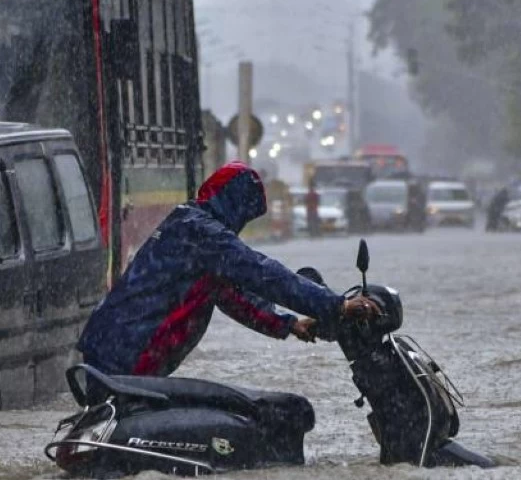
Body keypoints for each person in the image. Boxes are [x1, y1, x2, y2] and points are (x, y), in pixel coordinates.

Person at [77, 161, 381, 377]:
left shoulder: (187, 223)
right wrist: (336, 305)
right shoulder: (203, 233)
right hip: (127, 358)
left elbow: (235, 297)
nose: (242, 224)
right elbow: (263, 273)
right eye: (246, 213)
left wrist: (288, 324)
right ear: (235, 204)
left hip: (108, 352)